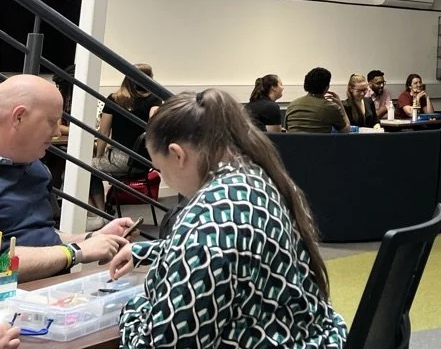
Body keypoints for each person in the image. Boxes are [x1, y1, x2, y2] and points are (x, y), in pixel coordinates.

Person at [110, 88, 347, 348]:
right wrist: (151, 250)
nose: (163, 177)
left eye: (160, 167)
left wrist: (132, 312)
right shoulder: (258, 177)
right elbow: (235, 248)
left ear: (178, 155)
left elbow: (167, 343)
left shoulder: (204, 223)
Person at [0, 75, 137, 283]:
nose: (56, 132)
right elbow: (2, 264)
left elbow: (42, 236)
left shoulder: (36, 168)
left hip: (48, 296)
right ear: (19, 117)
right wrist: (74, 252)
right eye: (52, 121)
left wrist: (93, 238)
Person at [90, 63, 162, 209]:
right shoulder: (155, 99)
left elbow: (103, 134)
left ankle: (97, 211)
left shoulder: (114, 99)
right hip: (143, 162)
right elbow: (154, 122)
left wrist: (99, 156)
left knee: (83, 167)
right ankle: (100, 210)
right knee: (91, 167)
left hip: (120, 160)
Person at [284, 68, 350, 134]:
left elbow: (287, 130)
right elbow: (346, 131)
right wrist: (340, 105)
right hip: (319, 144)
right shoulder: (331, 107)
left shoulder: (292, 105)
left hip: (293, 144)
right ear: (327, 87)